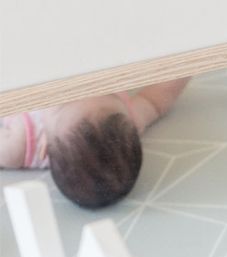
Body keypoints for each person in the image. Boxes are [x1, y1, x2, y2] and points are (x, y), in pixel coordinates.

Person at [0, 78, 189, 208]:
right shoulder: (130, 119)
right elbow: (156, 100)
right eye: (108, 94)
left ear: (44, 148)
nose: (79, 87)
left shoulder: (19, 145)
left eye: (62, 103)